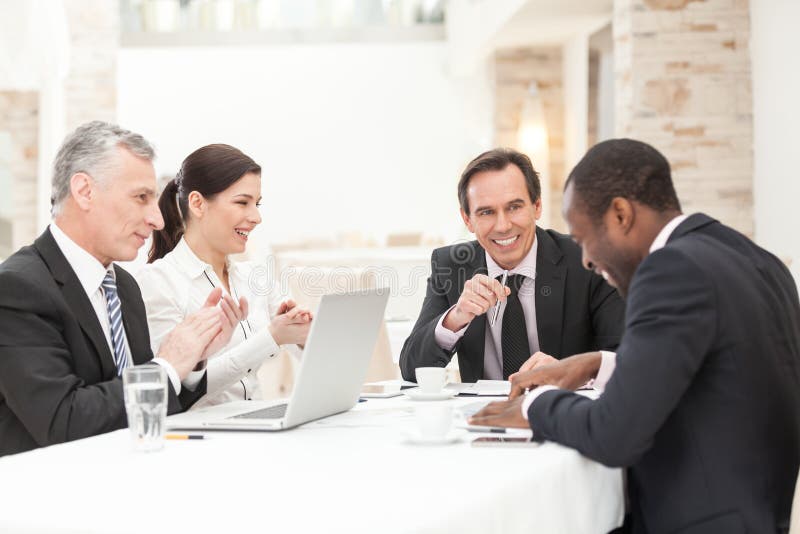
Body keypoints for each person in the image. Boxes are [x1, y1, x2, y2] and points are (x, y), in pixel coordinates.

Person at [470, 139, 800, 534]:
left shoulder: (670, 269)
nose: (586, 260)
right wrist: (598, 364)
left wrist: (534, 405)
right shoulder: (758, 259)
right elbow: (711, 370)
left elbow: (614, 433)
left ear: (621, 215)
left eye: (583, 238)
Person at [0, 121, 247, 456]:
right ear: (84, 191)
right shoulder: (16, 288)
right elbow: (63, 421)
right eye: (141, 197)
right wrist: (167, 367)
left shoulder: (125, 287)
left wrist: (192, 361)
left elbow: (146, 413)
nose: (158, 220)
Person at [399, 148, 625, 383]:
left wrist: (570, 372)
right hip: (485, 407)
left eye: (514, 207)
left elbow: (627, 360)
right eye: (486, 212)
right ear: (468, 220)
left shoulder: (588, 259)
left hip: (563, 403)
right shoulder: (450, 266)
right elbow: (411, 370)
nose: (503, 226)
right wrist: (455, 318)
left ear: (537, 206)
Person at [136, 144, 311, 408]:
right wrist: (271, 337)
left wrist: (303, 335)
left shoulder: (255, 278)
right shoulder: (158, 282)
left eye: (257, 204)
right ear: (197, 204)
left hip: (258, 422)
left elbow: (309, 359)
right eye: (242, 202)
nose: (256, 217)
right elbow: (178, 390)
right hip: (200, 430)